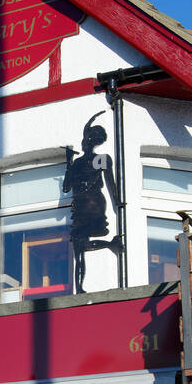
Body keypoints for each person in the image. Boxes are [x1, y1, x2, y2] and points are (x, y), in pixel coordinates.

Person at [63, 113, 120, 293]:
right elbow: (66, 188)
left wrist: (118, 201)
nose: (83, 141)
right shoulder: (92, 160)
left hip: (87, 203)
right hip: (87, 202)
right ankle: (110, 244)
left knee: (79, 246)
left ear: (91, 140)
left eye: (87, 137)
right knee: (79, 246)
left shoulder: (91, 160)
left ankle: (79, 287)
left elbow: (109, 181)